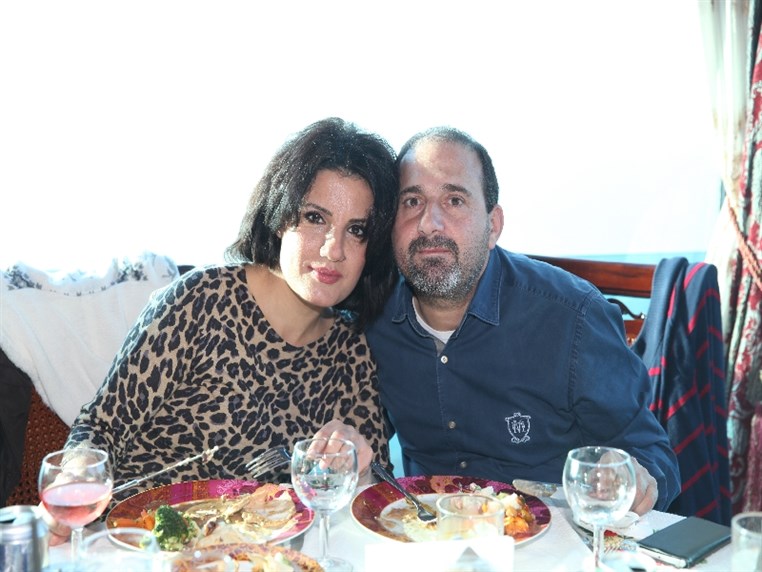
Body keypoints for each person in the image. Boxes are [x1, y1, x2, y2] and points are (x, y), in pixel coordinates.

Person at [46, 117, 399, 545]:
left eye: (356, 230)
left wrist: (359, 465)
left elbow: (381, 500)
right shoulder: (201, 300)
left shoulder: (352, 351)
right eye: (314, 218)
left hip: (259, 558)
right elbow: (101, 428)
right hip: (137, 545)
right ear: (280, 217)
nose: (333, 249)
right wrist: (76, 476)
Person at [366, 126, 681, 515]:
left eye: (454, 200)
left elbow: (651, 454)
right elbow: (362, 435)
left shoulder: (572, 317)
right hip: (428, 535)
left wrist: (635, 478)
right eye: (412, 201)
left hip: (553, 537)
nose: (430, 223)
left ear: (493, 226)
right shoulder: (372, 318)